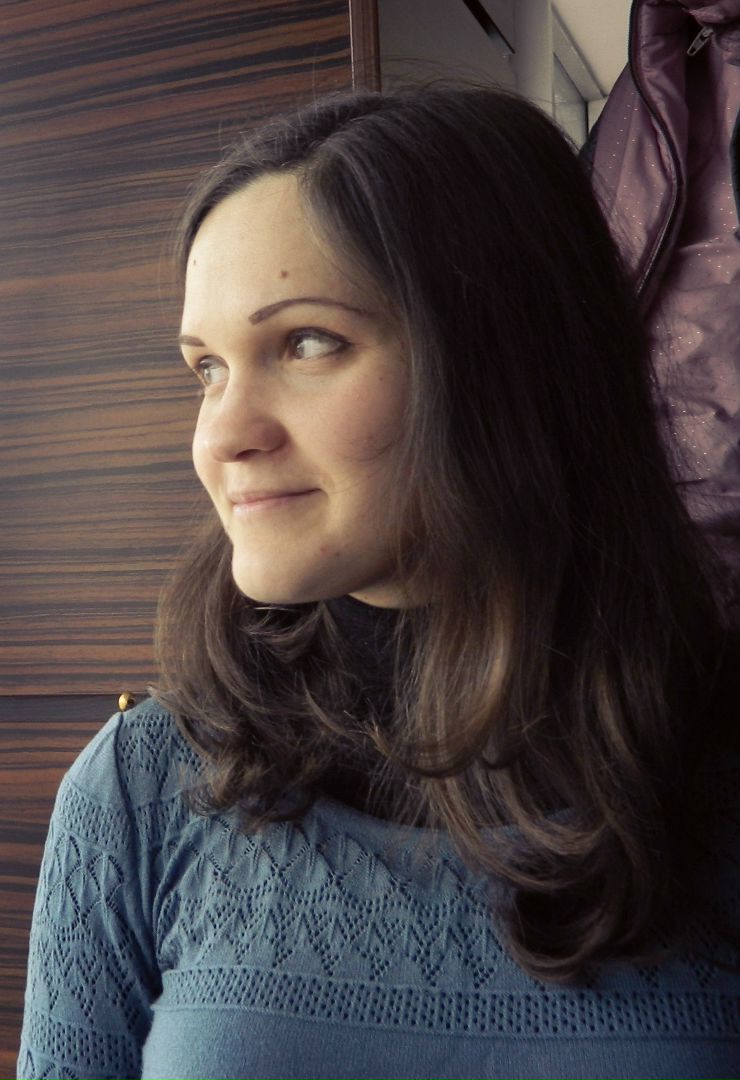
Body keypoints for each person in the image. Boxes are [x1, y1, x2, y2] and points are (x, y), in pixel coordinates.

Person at [18, 85, 740, 1080]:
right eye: (207, 368)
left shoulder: (710, 762)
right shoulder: (139, 789)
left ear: (510, 357)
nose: (221, 435)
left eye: (307, 343)